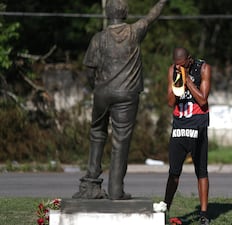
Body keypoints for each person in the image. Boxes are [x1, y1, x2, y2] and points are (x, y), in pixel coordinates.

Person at [72, 0, 168, 200]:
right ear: (125, 13)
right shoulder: (134, 32)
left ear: (107, 14)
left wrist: (96, 88)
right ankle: (116, 189)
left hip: (102, 93)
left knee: (97, 133)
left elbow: (89, 70)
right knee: (120, 140)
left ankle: (90, 183)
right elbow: (152, 15)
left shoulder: (98, 38)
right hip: (126, 94)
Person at [155, 47, 212, 225]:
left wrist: (187, 80)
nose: (179, 67)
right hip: (179, 126)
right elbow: (171, 102)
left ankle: (203, 213)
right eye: (176, 64)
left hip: (198, 125)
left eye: (182, 64)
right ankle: (165, 207)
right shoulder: (173, 70)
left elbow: (203, 100)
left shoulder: (203, 68)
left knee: (201, 171)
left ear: (189, 59)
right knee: (174, 172)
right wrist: (178, 80)